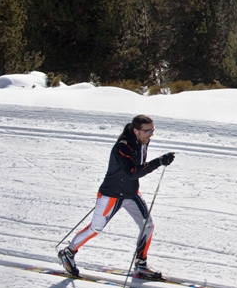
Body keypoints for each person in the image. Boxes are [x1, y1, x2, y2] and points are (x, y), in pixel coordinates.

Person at [58, 115, 175, 279]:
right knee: (95, 228)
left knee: (148, 226)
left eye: (152, 130)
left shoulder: (143, 141)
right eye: (147, 131)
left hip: (131, 194)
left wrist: (160, 161)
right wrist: (158, 162)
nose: (151, 134)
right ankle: (68, 253)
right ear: (136, 130)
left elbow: (139, 168)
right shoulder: (123, 147)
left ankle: (141, 265)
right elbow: (133, 172)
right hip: (111, 195)